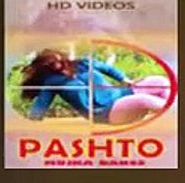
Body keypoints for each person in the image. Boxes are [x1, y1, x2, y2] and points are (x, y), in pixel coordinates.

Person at [18, 47, 170, 125]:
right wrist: (31, 124)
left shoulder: (82, 63)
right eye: (51, 65)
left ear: (60, 56)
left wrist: (126, 80)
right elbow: (41, 104)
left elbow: (107, 69)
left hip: (121, 94)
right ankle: (174, 117)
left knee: (160, 82)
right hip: (106, 112)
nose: (57, 66)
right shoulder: (52, 82)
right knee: (143, 99)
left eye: (57, 61)